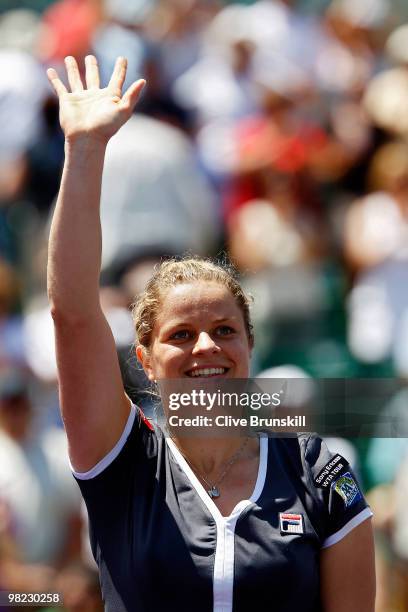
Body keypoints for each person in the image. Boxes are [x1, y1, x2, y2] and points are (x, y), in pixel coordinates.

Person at [46, 55, 376, 612]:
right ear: (145, 361)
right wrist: (84, 150)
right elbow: (74, 314)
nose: (206, 348)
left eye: (225, 330)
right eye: (180, 335)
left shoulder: (322, 473)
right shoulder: (122, 460)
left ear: (249, 345)